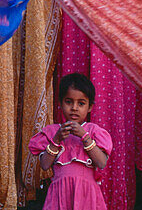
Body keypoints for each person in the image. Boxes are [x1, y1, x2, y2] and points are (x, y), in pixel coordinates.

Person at [29, 72, 113, 210]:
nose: (74, 108)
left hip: (87, 194)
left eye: (81, 103)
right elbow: (44, 165)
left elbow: (101, 162)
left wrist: (85, 137)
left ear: (90, 107)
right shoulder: (52, 132)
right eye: (69, 102)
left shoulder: (94, 131)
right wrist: (57, 139)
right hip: (60, 194)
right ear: (60, 103)